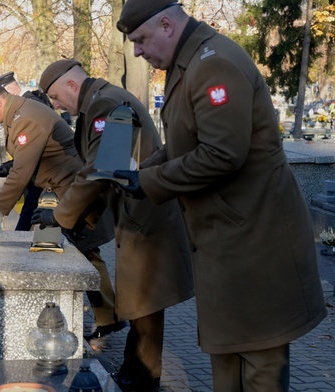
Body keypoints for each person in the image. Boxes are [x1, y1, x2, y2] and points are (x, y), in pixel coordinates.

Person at [113, 1, 327, 391]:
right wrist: (139, 173)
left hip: (256, 239)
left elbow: (222, 154)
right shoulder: (190, 61)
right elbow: (184, 144)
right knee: (228, 354)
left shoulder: (213, 63)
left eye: (141, 40)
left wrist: (151, 182)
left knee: (259, 358)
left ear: (165, 24)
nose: (139, 51)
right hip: (230, 238)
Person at [35, 59, 194, 392]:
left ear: (72, 86)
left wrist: (62, 216)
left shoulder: (105, 104)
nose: (57, 105)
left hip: (145, 214)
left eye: (56, 96)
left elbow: (101, 167)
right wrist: (79, 218)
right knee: (142, 300)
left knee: (146, 300)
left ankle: (141, 376)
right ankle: (138, 371)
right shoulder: (101, 101)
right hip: (139, 213)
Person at [0, 75, 124, 343]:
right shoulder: (19, 112)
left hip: (72, 190)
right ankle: (109, 316)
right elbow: (32, 157)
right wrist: (9, 167)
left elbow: (24, 169)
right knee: (85, 253)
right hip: (65, 188)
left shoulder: (25, 117)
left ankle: (107, 317)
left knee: (85, 252)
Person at [0, 71, 49, 231]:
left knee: (29, 215)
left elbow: (33, 149)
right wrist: (9, 166)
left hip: (41, 173)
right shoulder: (28, 102)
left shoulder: (30, 104)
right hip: (35, 171)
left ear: (8, 91)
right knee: (29, 213)